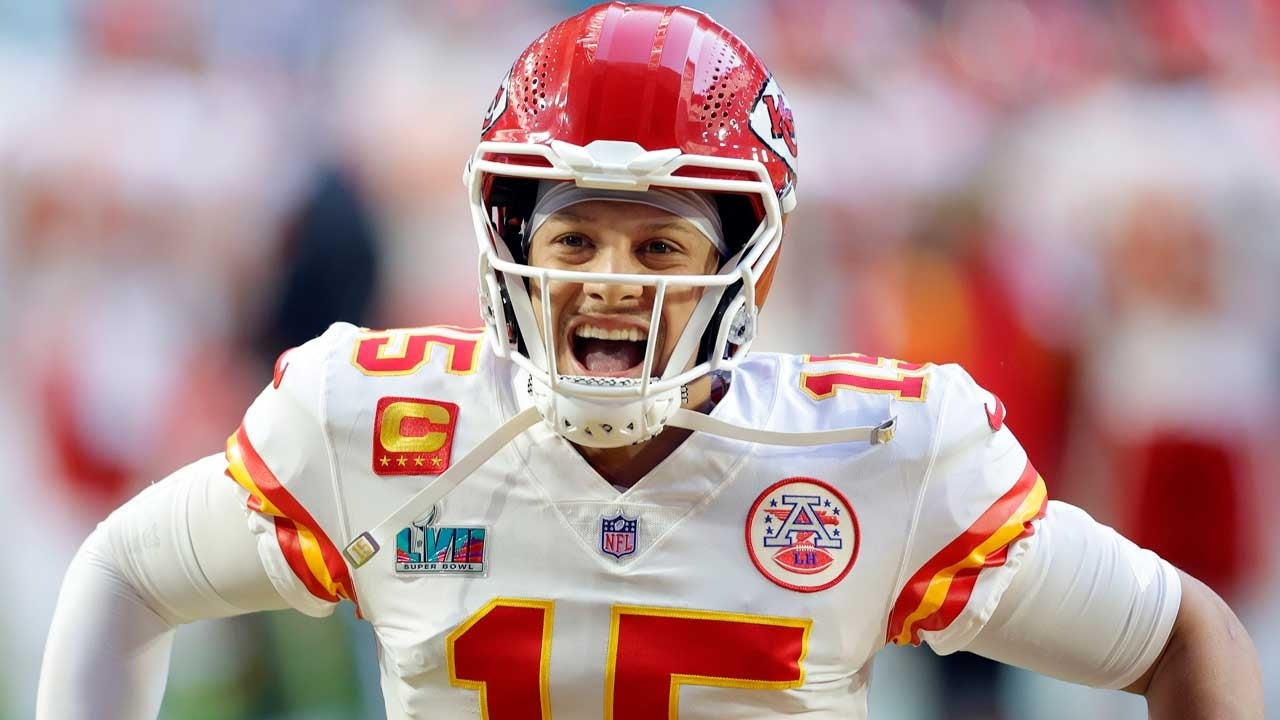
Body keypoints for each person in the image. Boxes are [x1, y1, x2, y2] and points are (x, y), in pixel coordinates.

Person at [36, 3, 1262, 719]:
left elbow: (1181, 637)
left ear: (749, 269)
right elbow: (126, 570)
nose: (611, 279)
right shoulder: (377, 417)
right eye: (572, 238)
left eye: (659, 244)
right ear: (508, 245)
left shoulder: (876, 449)